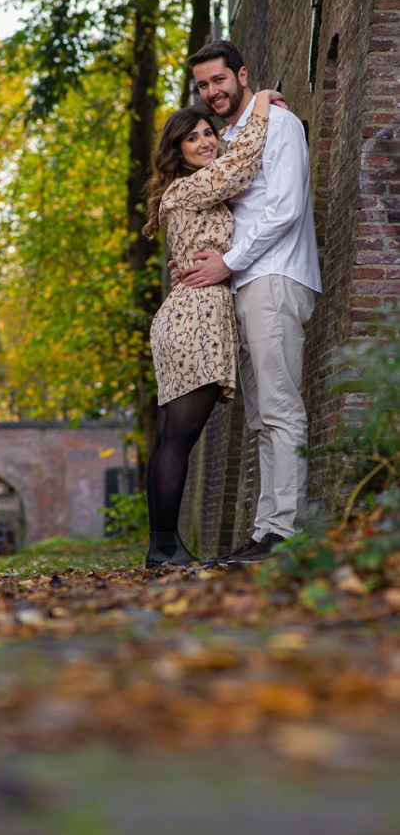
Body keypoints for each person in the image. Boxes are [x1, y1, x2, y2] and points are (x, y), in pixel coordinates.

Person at [183, 39, 322, 563]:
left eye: (220, 80)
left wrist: (229, 262)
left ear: (242, 75)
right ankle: (266, 530)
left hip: (275, 275)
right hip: (247, 281)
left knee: (282, 408)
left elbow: (285, 208)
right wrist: (200, 259)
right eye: (203, 85)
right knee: (264, 415)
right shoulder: (236, 138)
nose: (212, 91)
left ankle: (285, 534)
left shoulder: (279, 127)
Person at [143, 88, 285, 568]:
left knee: (169, 439)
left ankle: (163, 545)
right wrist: (261, 100)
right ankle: (163, 548)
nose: (204, 143)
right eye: (192, 139)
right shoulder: (190, 187)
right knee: (177, 440)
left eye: (208, 133)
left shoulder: (184, 193)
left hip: (187, 312)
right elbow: (242, 164)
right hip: (195, 318)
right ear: (176, 152)